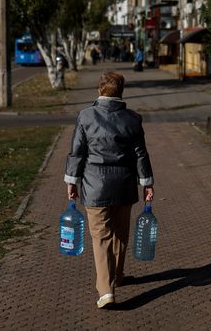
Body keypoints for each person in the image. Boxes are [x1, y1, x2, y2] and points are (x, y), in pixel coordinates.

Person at [64, 70, 154, 309]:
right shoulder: (133, 118)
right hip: (124, 185)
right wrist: (147, 184)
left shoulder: (85, 116)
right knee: (120, 235)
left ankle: (106, 291)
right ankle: (119, 275)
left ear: (99, 90)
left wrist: (71, 181)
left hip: (95, 187)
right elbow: (140, 155)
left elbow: (77, 152)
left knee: (101, 237)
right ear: (121, 92)